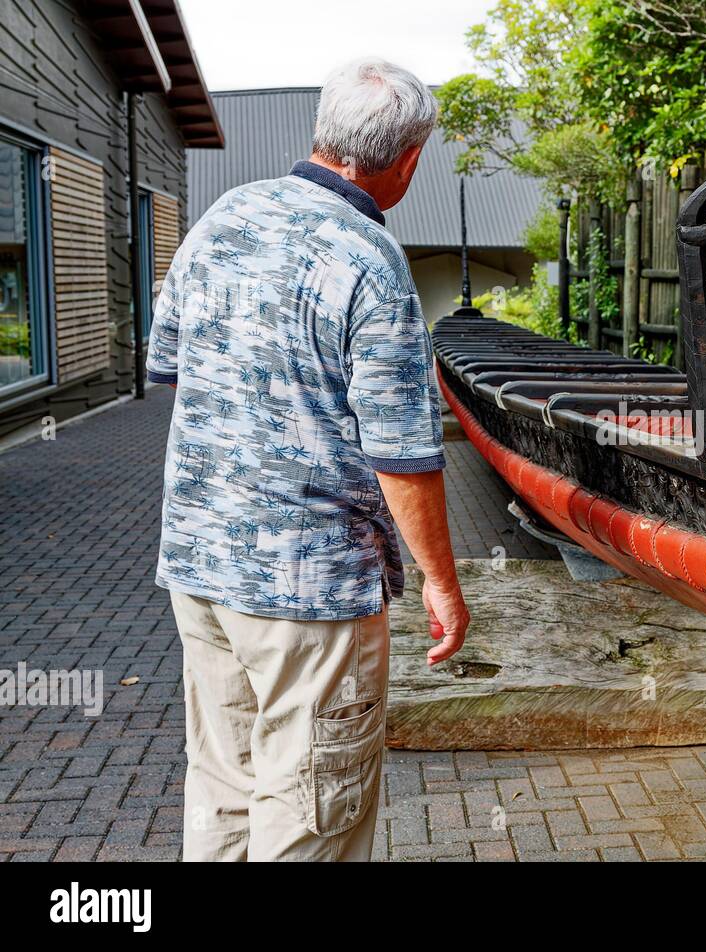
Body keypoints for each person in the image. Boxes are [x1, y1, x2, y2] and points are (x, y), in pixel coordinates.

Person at [146, 58, 469, 861]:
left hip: (201, 569)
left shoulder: (221, 218)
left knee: (222, 785)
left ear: (323, 131)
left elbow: (170, 366)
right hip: (310, 592)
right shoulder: (371, 259)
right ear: (408, 159)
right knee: (310, 811)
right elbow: (400, 452)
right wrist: (442, 581)